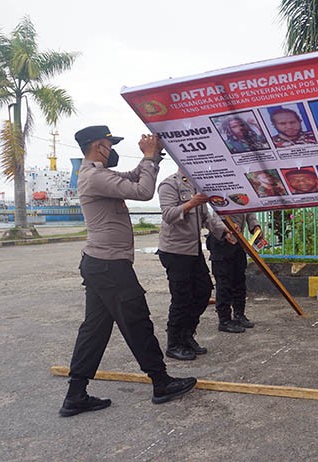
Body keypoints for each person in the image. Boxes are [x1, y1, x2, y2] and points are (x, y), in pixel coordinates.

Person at [59, 126, 197, 417]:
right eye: (110, 144)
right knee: (137, 322)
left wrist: (154, 156)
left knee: (94, 329)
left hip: (100, 263)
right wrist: (148, 157)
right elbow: (144, 191)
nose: (113, 150)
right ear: (99, 147)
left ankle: (75, 394)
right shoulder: (95, 176)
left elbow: (134, 176)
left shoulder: (98, 174)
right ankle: (161, 382)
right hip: (109, 266)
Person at [156, 169, 213, 361]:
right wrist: (191, 203)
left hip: (193, 249)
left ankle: (187, 334)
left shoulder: (197, 184)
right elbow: (168, 214)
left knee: (204, 291)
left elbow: (206, 218)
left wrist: (226, 232)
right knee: (182, 298)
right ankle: (174, 343)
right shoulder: (169, 184)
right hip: (174, 251)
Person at [206, 213, 262, 333]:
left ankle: (239, 315)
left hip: (238, 240)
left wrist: (255, 227)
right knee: (224, 282)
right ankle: (224, 320)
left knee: (239, 280)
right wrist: (225, 230)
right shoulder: (219, 194)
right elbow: (214, 217)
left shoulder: (245, 195)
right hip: (220, 239)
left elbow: (249, 213)